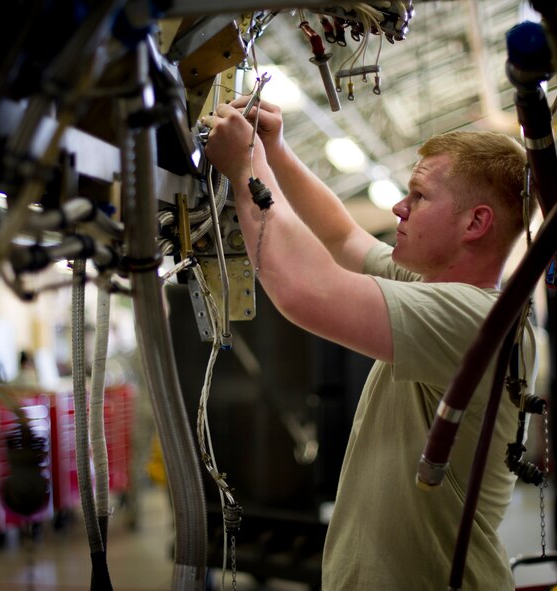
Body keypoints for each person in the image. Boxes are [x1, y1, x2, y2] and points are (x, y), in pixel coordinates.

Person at [202, 96, 537, 590]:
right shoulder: (433, 287)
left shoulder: (480, 320)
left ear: (475, 223)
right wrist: (273, 150)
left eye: (418, 196)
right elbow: (341, 237)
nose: (399, 207)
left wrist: (246, 167)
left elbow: (303, 289)